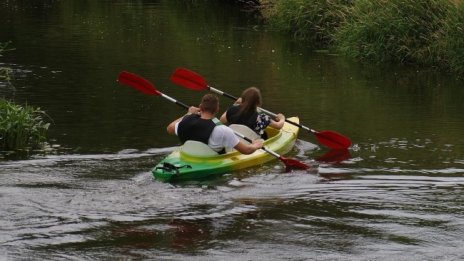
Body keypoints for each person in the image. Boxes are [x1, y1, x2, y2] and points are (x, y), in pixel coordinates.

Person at [167, 94, 263, 154]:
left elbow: (169, 128)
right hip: (209, 161)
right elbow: (246, 150)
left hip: (189, 156)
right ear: (217, 109)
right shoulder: (223, 130)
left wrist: (188, 114)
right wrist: (256, 145)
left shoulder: (185, 121)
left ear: (200, 107)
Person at [220, 87, 285, 139]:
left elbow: (222, 120)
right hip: (252, 146)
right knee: (264, 134)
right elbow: (278, 126)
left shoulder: (232, 110)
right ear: (258, 102)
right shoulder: (262, 117)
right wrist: (282, 118)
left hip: (234, 145)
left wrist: (235, 104)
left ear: (242, 99)